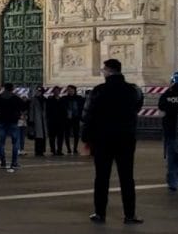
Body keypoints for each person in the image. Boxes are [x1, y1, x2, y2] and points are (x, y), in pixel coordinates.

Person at [83, 58, 144, 224]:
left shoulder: (98, 91)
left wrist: (86, 137)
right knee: (127, 177)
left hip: (103, 139)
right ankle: (130, 215)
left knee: (102, 177)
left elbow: (88, 115)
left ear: (108, 71)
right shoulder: (133, 90)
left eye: (104, 70)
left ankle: (100, 213)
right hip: (126, 138)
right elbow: (137, 107)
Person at [0, 83, 26, 172]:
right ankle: (14, 162)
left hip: (1, 122)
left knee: (2, 143)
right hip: (13, 122)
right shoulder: (15, 97)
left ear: (4, 88)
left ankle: (3, 163)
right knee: (15, 143)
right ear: (12, 89)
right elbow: (24, 107)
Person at [27, 87, 49, 156]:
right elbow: (31, 110)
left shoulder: (45, 99)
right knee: (38, 136)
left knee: (43, 136)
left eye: (39, 91)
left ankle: (42, 150)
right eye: (37, 91)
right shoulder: (34, 100)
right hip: (37, 120)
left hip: (43, 120)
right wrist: (31, 120)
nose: (37, 92)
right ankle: (38, 151)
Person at [46, 87, 68, 156]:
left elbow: (65, 110)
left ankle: (59, 150)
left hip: (61, 121)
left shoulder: (62, 100)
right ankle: (53, 150)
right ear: (53, 92)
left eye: (58, 91)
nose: (56, 92)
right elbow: (48, 110)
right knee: (52, 137)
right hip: (52, 121)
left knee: (60, 137)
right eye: (55, 91)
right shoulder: (50, 100)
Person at [63, 85, 85, 154]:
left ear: (74, 90)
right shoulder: (64, 98)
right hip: (67, 119)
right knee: (67, 134)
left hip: (76, 118)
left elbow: (82, 108)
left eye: (71, 89)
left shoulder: (79, 98)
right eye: (68, 90)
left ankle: (75, 148)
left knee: (76, 134)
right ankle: (68, 149)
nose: (70, 91)